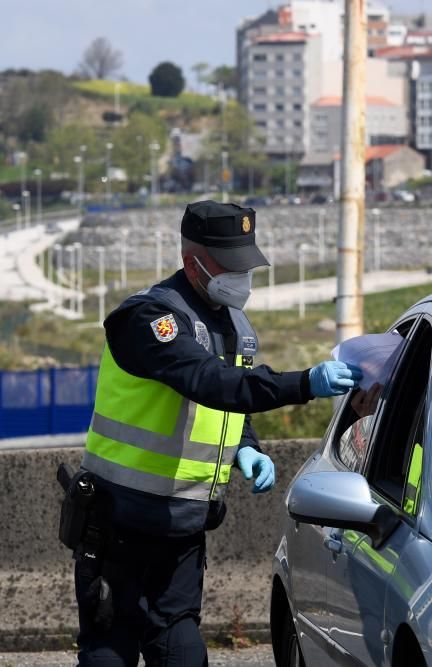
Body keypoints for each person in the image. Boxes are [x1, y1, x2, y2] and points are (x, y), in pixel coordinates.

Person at [72, 201, 362, 666]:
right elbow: (207, 381)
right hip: (119, 522)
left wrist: (246, 446)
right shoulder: (149, 321)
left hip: (182, 526)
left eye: (246, 264)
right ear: (193, 263)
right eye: (231, 267)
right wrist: (304, 383)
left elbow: (229, 402)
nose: (242, 277)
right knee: (111, 647)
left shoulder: (233, 325)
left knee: (181, 650)